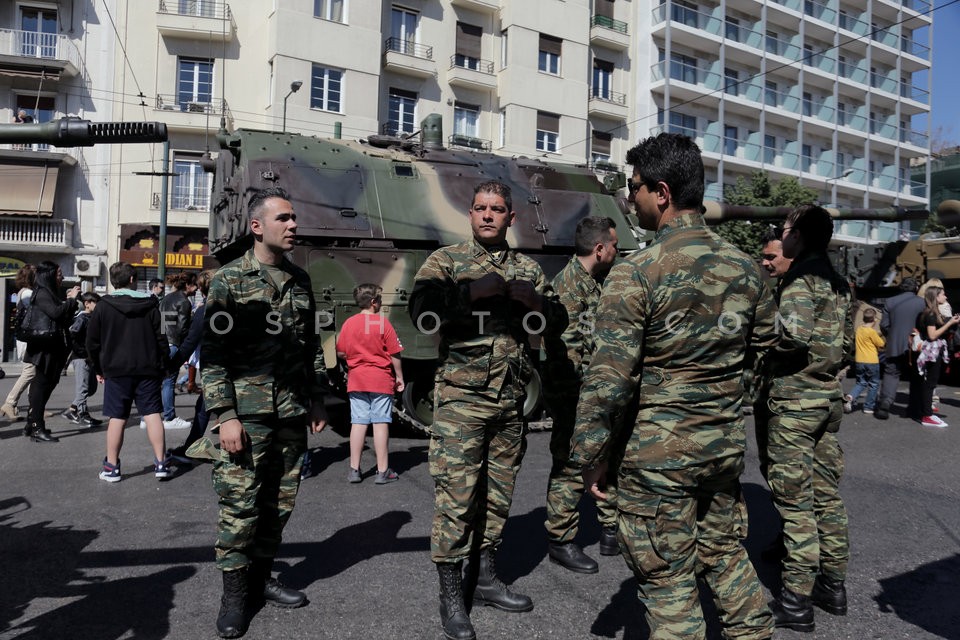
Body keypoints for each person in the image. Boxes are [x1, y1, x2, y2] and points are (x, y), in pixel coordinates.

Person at [570, 133, 778, 640]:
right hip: (723, 448)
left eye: (634, 187)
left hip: (657, 456)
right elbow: (764, 353)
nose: (630, 199)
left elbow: (609, 382)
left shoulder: (635, 272)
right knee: (725, 554)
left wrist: (590, 456)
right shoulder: (748, 270)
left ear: (661, 193)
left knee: (666, 578)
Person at [408, 179, 566, 640]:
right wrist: (471, 293)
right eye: (480, 208)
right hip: (460, 401)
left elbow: (556, 320)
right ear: (470, 214)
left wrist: (533, 302)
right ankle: (452, 594)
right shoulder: (447, 261)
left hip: (510, 400)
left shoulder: (528, 269)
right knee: (456, 500)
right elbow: (422, 313)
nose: (488, 215)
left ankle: (488, 579)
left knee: (498, 495)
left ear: (511, 217)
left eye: (497, 209)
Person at [201, 187, 329, 639]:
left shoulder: (300, 280)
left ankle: (260, 580)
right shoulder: (229, 280)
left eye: (294, 218)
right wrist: (224, 414)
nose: (294, 225)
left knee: (279, 504)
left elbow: (311, 344)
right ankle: (235, 597)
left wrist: (316, 396)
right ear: (257, 226)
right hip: (247, 415)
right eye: (285, 219)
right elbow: (212, 355)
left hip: (292, 412)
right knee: (240, 508)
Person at [764, 204, 853, 632]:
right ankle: (833, 586)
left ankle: (796, 599)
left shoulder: (800, 279)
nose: (781, 237)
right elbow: (848, 343)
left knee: (795, 502)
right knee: (826, 496)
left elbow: (792, 336)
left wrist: (762, 348)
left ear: (797, 235)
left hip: (796, 402)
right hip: (828, 398)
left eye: (784, 230)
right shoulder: (839, 282)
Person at [541, 216, 619, 574]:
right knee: (571, 464)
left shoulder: (590, 282)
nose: (617, 251)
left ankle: (609, 528)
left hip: (589, 392)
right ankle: (560, 539)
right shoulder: (570, 288)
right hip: (575, 393)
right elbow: (570, 353)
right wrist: (589, 400)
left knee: (602, 455)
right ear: (600, 249)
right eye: (615, 245)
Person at [87, 262, 170, 482]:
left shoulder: (103, 306)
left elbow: (92, 342)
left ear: (114, 281)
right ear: (133, 280)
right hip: (148, 368)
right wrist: (164, 365)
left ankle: (112, 466)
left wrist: (99, 367)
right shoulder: (152, 305)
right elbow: (162, 338)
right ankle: (161, 462)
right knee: (152, 414)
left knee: (118, 416)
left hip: (116, 368)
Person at [336, 283, 404, 485]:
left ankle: (354, 470)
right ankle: (382, 472)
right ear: (374, 302)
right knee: (380, 423)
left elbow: (340, 351)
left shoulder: (349, 323)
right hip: (380, 380)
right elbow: (395, 353)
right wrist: (399, 376)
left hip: (357, 379)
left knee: (358, 422)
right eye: (380, 299)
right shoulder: (383, 324)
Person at [22, 261, 80, 443]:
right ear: (49, 275)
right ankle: (36, 426)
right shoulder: (42, 292)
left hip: (53, 346)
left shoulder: (50, 292)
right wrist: (71, 300)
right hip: (44, 347)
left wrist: (70, 305)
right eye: (59, 273)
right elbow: (55, 313)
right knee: (41, 384)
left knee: (49, 383)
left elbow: (61, 318)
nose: (61, 276)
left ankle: (32, 422)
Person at [165, 270, 214, 465]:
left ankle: (191, 447)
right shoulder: (234, 306)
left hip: (212, 366)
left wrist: (170, 355)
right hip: (236, 366)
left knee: (203, 406)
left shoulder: (170, 300)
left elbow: (188, 336)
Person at [875, 278, 924, 420]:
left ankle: (885, 402)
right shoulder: (922, 302)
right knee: (917, 375)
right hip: (916, 345)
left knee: (891, 373)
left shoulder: (890, 301)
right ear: (915, 287)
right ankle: (914, 408)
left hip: (895, 343)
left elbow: (884, 325)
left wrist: (893, 335)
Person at [913, 286, 959, 427]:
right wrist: (950, 323)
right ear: (935, 297)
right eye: (943, 295)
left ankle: (926, 413)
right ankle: (927, 415)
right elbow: (932, 335)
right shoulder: (931, 314)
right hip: (932, 351)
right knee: (930, 383)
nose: (945, 297)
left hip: (931, 351)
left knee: (929, 382)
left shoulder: (929, 312)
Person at [157, 272, 196, 429]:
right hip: (173, 344)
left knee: (158, 380)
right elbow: (182, 328)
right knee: (169, 380)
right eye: (195, 284)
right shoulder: (184, 301)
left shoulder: (166, 298)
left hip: (161, 343)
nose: (197, 288)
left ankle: (149, 416)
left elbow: (160, 323)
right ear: (187, 285)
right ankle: (169, 417)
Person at [62, 291, 104, 427]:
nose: (98, 306)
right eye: (96, 303)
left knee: (90, 388)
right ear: (87, 304)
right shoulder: (82, 318)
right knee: (83, 389)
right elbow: (72, 336)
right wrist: (82, 352)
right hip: (81, 358)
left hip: (89, 358)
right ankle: (83, 415)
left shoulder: (91, 317)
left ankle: (71, 410)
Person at [1, 264, 37, 420]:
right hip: (28, 340)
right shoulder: (28, 294)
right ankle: (10, 403)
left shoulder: (23, 292)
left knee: (32, 373)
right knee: (31, 371)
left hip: (26, 339)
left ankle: (34, 407)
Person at [844, 307, 885, 415]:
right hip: (872, 361)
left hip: (859, 360)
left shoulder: (859, 330)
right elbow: (881, 344)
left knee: (861, 382)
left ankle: (851, 396)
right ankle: (868, 407)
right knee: (873, 384)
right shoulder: (871, 332)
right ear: (874, 319)